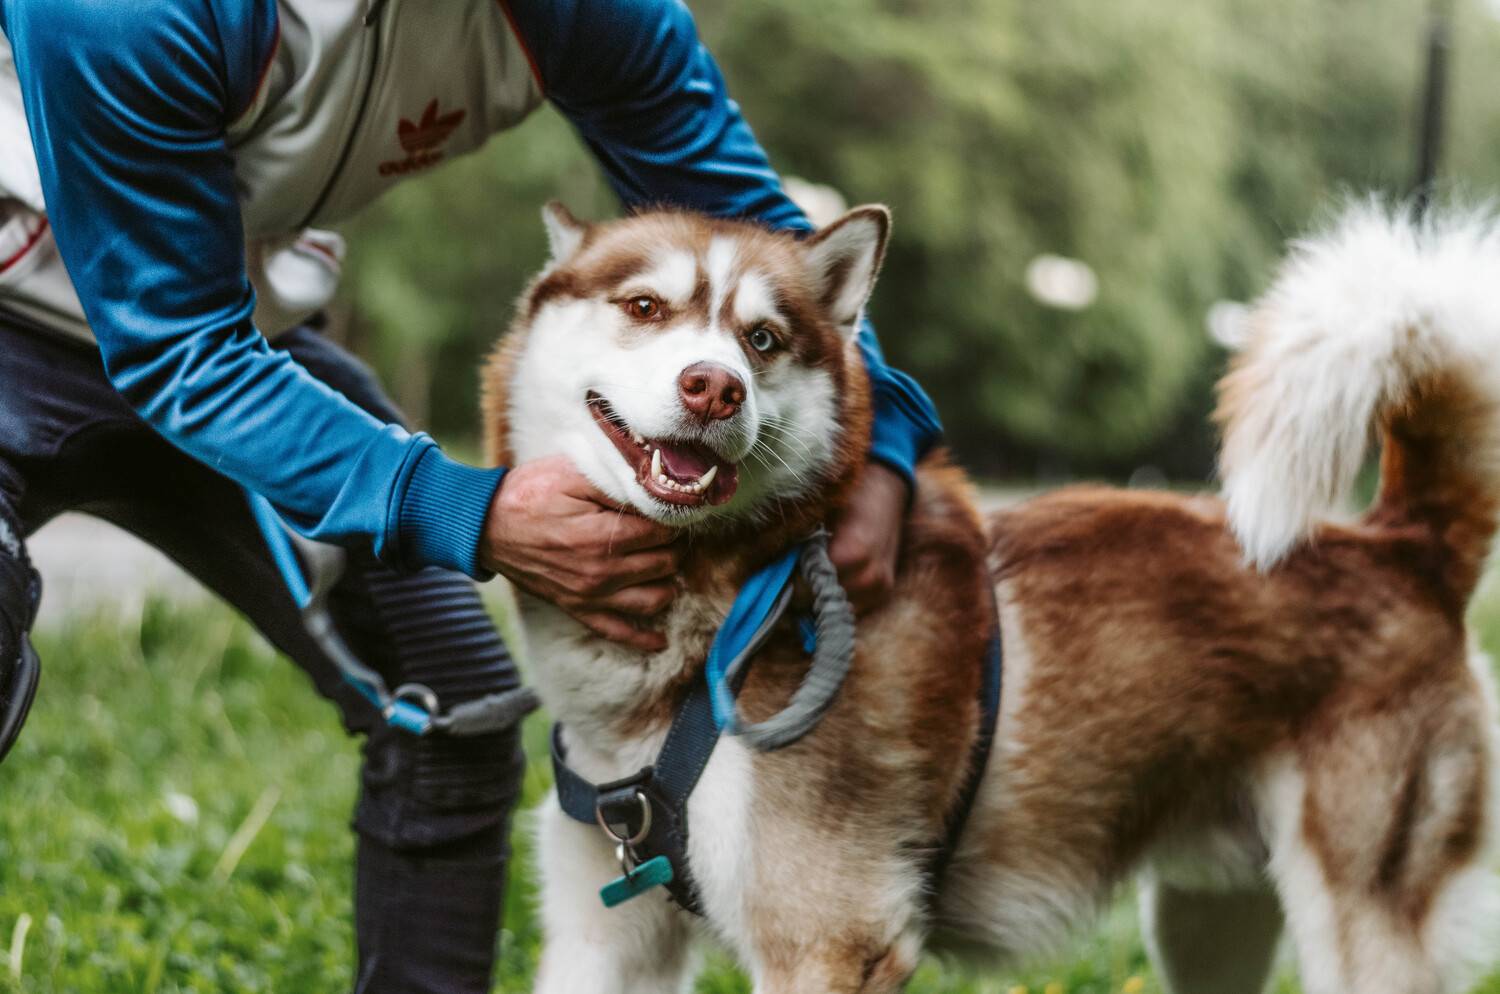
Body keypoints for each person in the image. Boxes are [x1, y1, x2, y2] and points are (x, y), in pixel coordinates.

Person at [0, 0, 942, 991]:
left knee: (455, 704)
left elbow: (748, 214)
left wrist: (882, 447)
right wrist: (467, 508)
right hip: (81, 324)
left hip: (247, 343)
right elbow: (174, 343)